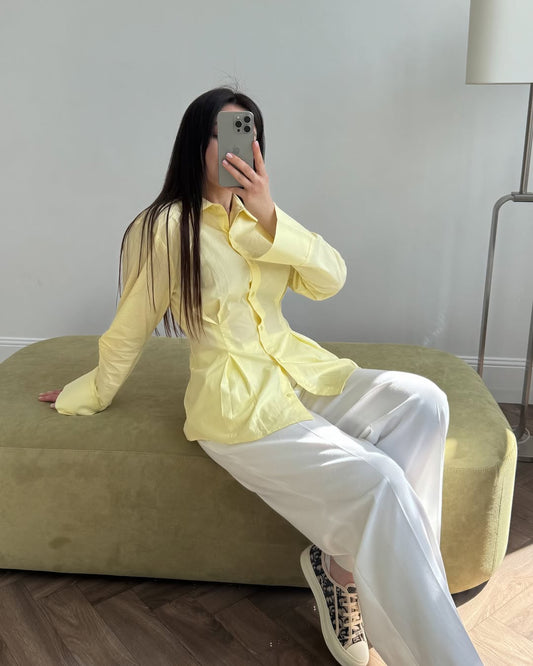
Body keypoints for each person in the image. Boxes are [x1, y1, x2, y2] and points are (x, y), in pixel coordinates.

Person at [38, 87, 482, 666]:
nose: (236, 149)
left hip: (299, 373)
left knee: (424, 401)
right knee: (382, 482)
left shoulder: (260, 219)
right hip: (237, 407)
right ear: (196, 144)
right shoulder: (167, 226)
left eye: (247, 135)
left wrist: (270, 215)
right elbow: (131, 324)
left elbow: (330, 279)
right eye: (222, 134)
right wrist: (91, 391)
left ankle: (345, 569)